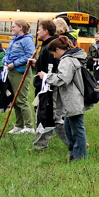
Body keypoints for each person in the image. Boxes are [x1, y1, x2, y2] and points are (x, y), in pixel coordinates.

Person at [39, 36, 88, 162]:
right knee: (68, 128)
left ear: (58, 50)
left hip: (73, 98)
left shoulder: (66, 60)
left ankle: (80, 157)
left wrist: (47, 76)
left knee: (77, 129)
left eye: (53, 53)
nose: (54, 56)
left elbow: (63, 79)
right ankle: (74, 154)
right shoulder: (73, 57)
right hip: (73, 98)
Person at [30, 19, 67, 150]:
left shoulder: (50, 47)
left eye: (39, 29)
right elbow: (45, 66)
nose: (37, 32)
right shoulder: (45, 46)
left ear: (45, 31)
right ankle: (40, 145)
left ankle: (75, 143)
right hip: (45, 87)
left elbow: (52, 68)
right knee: (47, 117)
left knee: (53, 118)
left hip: (49, 89)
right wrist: (36, 63)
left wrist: (47, 82)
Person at [3, 20, 36, 134]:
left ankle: (29, 126)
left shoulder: (27, 40)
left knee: (21, 99)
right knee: (14, 99)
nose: (11, 29)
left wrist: (15, 64)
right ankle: (19, 125)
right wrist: (5, 61)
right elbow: (7, 53)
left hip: (21, 71)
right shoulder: (13, 40)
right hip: (10, 71)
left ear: (20, 28)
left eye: (13, 27)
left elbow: (29, 55)